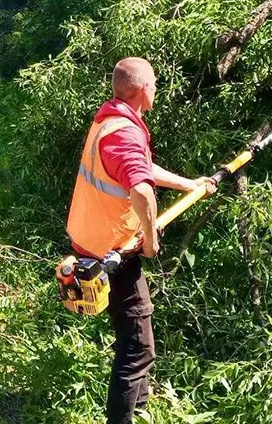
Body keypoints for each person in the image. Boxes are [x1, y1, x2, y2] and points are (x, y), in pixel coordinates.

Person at [66, 57, 216, 424]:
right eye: (154, 84)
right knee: (138, 349)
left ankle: (141, 408)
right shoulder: (123, 133)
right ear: (144, 89)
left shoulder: (110, 120)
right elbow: (142, 191)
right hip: (112, 252)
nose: (156, 89)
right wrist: (150, 240)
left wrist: (190, 184)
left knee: (134, 335)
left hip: (93, 240)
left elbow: (139, 168)